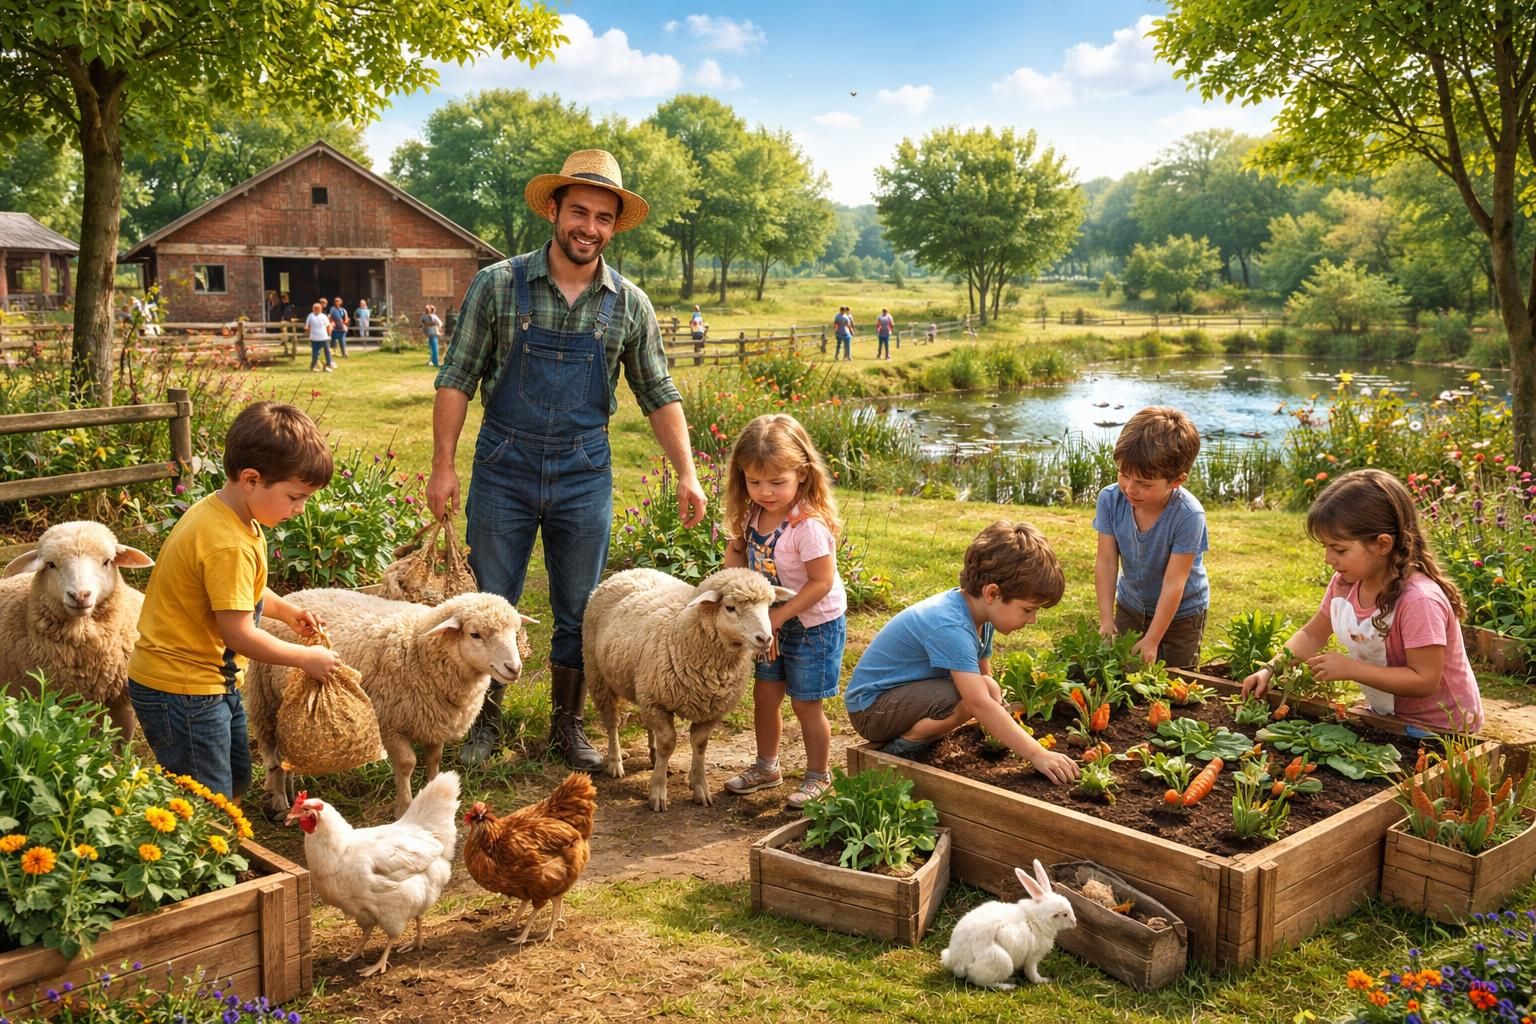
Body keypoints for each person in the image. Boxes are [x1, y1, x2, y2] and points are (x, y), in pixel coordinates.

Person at [427, 148, 707, 771]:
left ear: (614, 226)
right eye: (579, 211)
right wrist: (444, 466)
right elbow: (456, 377)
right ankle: (482, 723)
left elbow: (658, 389)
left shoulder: (627, 303)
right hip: (503, 465)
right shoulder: (498, 285)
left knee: (578, 606)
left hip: (584, 473)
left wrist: (687, 472)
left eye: (603, 217)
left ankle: (567, 727)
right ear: (554, 210)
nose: (589, 227)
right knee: (490, 599)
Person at [126, 402, 340, 798]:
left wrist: (288, 611)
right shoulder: (227, 543)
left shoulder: (231, 517)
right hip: (182, 688)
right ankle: (205, 851)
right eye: (296, 496)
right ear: (252, 479)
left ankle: (223, 837)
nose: (299, 509)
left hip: (210, 682)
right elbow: (240, 635)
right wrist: (304, 658)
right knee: (206, 796)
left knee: (236, 776)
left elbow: (245, 593)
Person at [1242, 469, 1484, 735]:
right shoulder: (1344, 584)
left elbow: (1424, 680)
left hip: (1440, 728)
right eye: (1325, 547)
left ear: (1382, 544)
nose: (1328, 558)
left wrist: (1351, 669)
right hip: (1386, 716)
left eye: (1339, 549)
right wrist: (1270, 669)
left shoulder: (1419, 600)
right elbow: (1312, 634)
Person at [843, 521, 1080, 784]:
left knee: (985, 687)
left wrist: (998, 717)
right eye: (1028, 609)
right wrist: (1036, 753)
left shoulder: (981, 617)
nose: (1033, 619)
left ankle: (921, 732)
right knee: (968, 698)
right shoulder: (951, 624)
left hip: (901, 697)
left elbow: (986, 681)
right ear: (992, 593)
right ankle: (901, 748)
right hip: (871, 710)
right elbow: (978, 703)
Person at [720, 414, 849, 810]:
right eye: (754, 482)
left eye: (777, 482)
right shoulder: (751, 515)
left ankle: (818, 775)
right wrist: (736, 576)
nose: (765, 492)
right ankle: (767, 766)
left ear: (803, 474)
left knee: (805, 702)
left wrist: (777, 619)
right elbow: (738, 554)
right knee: (765, 695)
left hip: (813, 623)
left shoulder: (807, 526)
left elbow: (820, 582)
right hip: (770, 622)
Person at [1094, 406, 1208, 668]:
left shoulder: (1189, 515)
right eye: (1124, 474)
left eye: (1144, 484)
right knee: (1124, 675)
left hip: (1182, 616)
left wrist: (1153, 639)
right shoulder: (1110, 500)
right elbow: (1106, 562)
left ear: (1176, 481)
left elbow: (1174, 583)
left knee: (1176, 681)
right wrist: (1106, 620)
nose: (1130, 489)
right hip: (1131, 606)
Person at [305, 301, 334, 372]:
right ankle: (313, 366)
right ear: (313, 309)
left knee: (327, 352)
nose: (317, 309)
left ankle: (328, 365)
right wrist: (308, 335)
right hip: (314, 339)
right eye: (315, 308)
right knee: (315, 354)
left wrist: (329, 335)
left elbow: (328, 326)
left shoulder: (324, 316)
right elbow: (307, 327)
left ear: (321, 309)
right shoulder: (310, 316)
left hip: (324, 338)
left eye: (318, 308)